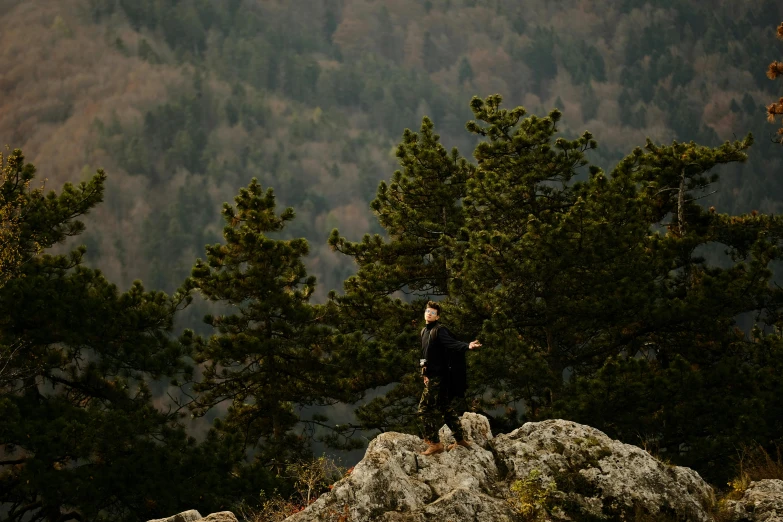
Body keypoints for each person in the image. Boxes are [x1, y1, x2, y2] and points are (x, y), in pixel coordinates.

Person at [418, 301, 481, 456]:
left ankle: (435, 443)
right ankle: (460, 440)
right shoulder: (423, 332)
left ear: (437, 316)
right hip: (432, 375)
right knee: (445, 407)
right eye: (427, 311)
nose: (429, 314)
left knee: (424, 409)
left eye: (433, 312)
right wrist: (424, 373)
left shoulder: (439, 330)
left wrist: (467, 346)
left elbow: (452, 344)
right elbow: (424, 356)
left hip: (440, 377)